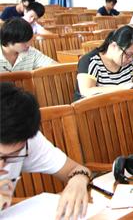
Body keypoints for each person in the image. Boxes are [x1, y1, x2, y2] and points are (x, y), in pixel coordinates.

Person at [0, 83, 91, 219]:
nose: (2, 165)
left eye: (13, 155)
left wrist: (78, 181)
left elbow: (75, 169)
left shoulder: (28, 140)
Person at [76, 25, 133, 100]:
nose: (131, 59)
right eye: (128, 54)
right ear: (113, 46)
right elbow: (87, 91)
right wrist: (121, 88)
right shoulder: (90, 61)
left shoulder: (129, 62)